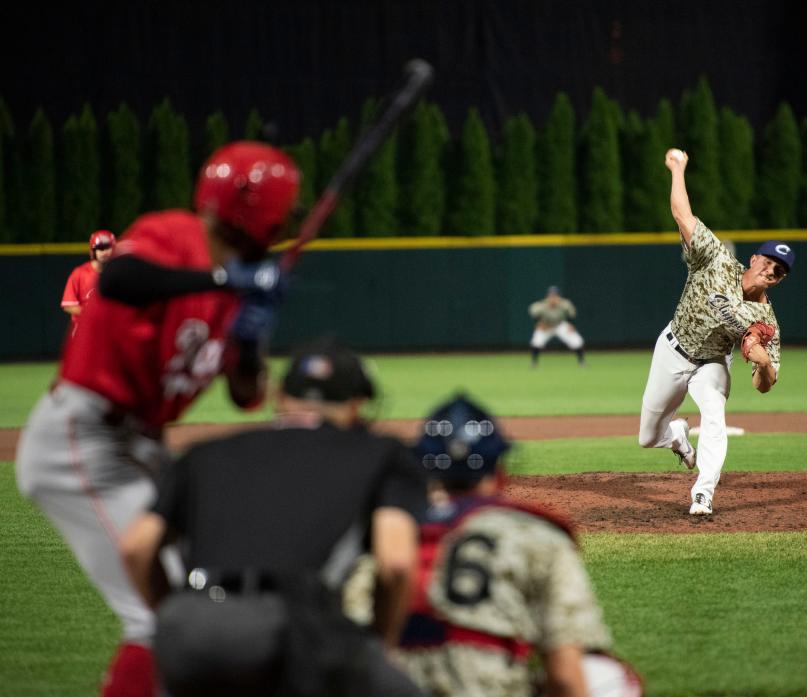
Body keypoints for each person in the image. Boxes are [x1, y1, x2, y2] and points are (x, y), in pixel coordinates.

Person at [15, 141, 301, 697]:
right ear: (263, 212)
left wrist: (249, 340)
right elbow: (120, 282)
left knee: (198, 601)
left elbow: (246, 396)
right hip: (83, 440)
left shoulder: (242, 281)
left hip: (140, 449)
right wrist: (225, 285)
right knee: (158, 619)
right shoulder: (176, 236)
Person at [119, 338, 428, 697]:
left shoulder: (205, 453)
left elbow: (135, 547)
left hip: (188, 627)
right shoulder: (382, 453)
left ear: (279, 397)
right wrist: (382, 640)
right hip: (292, 626)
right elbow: (396, 563)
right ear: (358, 405)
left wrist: (175, 612)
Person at [396, 394, 642, 697]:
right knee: (604, 676)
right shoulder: (535, 534)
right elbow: (565, 674)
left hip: (399, 682)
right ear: (499, 468)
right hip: (493, 683)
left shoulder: (391, 535)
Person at [638, 148, 793, 516]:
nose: (770, 271)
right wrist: (678, 168)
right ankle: (677, 437)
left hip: (711, 361)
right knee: (647, 437)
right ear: (754, 258)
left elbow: (764, 385)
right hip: (672, 348)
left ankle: (703, 493)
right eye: (768, 261)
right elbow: (682, 214)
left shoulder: (766, 322)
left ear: (780, 280)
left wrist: (764, 365)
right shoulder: (716, 258)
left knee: (713, 412)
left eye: (778, 271)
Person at [61, 230, 116, 337]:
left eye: (108, 248)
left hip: (109, 330)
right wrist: (93, 314)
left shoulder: (118, 273)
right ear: (93, 251)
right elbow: (68, 305)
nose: (104, 252)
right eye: (100, 248)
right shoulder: (80, 273)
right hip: (84, 331)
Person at [528, 285, 586, 366]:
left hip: (560, 325)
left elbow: (572, 315)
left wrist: (571, 325)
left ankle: (582, 362)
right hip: (546, 326)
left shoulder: (565, 304)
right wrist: (538, 323)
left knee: (577, 340)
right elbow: (533, 314)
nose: (553, 297)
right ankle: (534, 362)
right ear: (547, 296)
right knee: (536, 341)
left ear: (559, 296)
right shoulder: (541, 305)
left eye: (555, 295)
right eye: (551, 295)